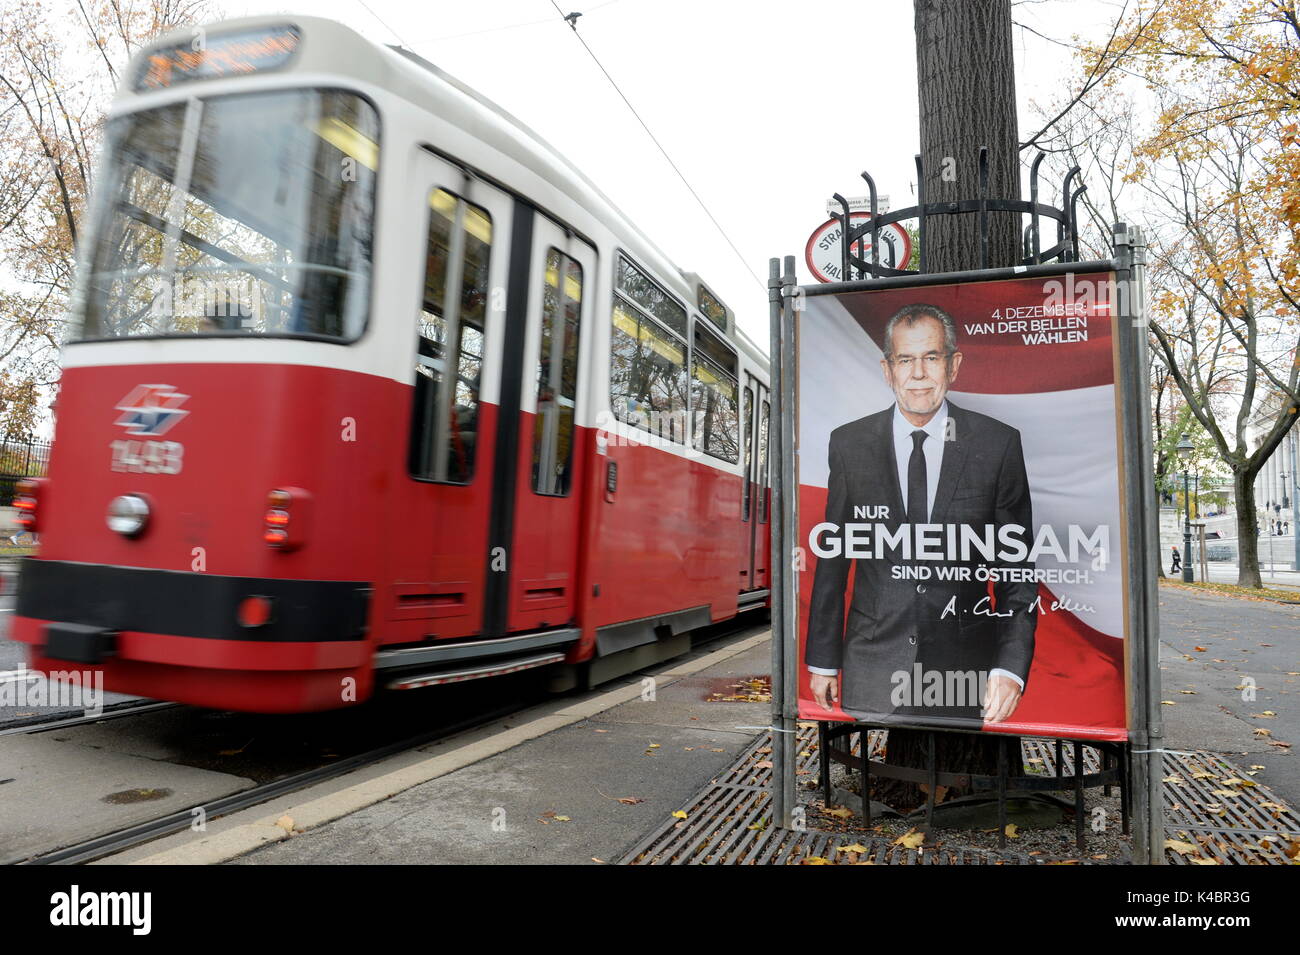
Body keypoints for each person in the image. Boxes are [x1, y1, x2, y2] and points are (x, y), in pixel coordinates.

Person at [806, 303, 1037, 726]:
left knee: (957, 764)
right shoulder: (849, 443)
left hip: (966, 661)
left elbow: (1016, 568)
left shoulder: (998, 444)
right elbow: (833, 558)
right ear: (887, 368)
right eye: (905, 360)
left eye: (931, 358)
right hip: (872, 654)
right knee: (877, 772)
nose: (918, 374)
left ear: (953, 365)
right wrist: (823, 659)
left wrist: (1010, 667)